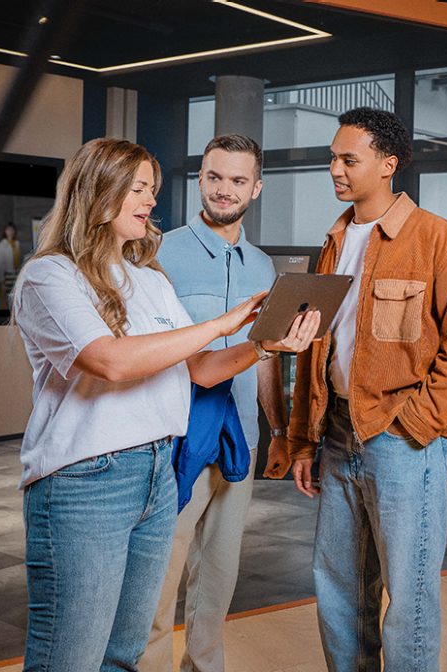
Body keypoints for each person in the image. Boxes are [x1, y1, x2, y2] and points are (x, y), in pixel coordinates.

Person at [10, 138, 314, 671]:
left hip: (155, 469)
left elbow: (199, 368)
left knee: (122, 654)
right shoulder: (49, 274)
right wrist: (222, 323)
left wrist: (264, 345)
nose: (151, 200)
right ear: (98, 191)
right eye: (138, 189)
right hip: (86, 481)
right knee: (71, 657)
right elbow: (109, 361)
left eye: (151, 188)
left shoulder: (148, 279)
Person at [284, 107, 447, 670]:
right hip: (336, 437)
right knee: (339, 589)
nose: (335, 168)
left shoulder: (435, 239)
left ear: (388, 164)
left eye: (348, 159)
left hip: (402, 443)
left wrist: (417, 423)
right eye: (332, 157)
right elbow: (316, 349)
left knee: (409, 598)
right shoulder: (331, 242)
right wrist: (305, 439)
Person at [141, 133, 295, 672]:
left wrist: (278, 431)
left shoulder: (263, 268)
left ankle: (205, 667)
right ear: (200, 179)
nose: (223, 190)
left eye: (236, 180)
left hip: (242, 442)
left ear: (256, 187)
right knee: (158, 578)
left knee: (218, 578)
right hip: (175, 440)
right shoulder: (158, 254)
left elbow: (269, 358)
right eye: (214, 177)